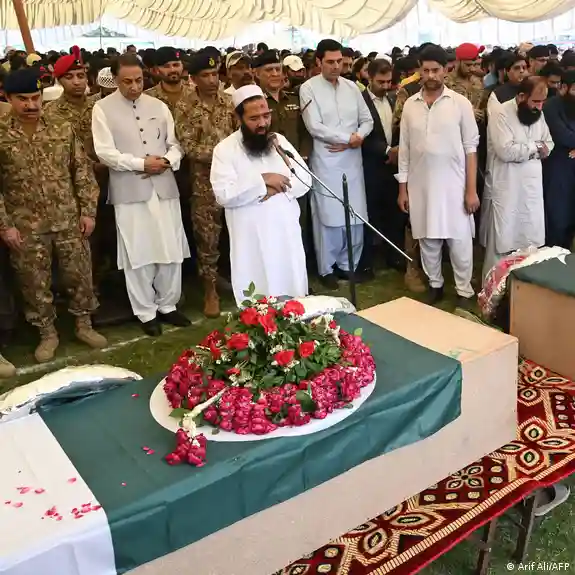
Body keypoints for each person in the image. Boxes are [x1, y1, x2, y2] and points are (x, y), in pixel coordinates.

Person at [0, 68, 106, 363]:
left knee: (79, 274)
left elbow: (82, 172)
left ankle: (84, 324)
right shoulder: (2, 134)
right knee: (34, 282)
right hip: (25, 223)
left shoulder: (62, 127)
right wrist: (5, 226)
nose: (31, 105)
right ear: (8, 98)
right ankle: (47, 332)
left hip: (68, 218)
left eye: (35, 98)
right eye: (23, 99)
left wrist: (88, 212)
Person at [92, 54, 191, 336]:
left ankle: (168, 305)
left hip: (164, 186)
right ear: (115, 79)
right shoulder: (102, 109)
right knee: (138, 253)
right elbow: (104, 152)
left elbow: (176, 144)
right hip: (129, 190)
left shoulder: (158, 106)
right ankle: (146, 312)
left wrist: (168, 161)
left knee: (171, 249)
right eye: (127, 82)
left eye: (138, 80)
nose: (134, 87)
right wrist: (140, 164)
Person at [210, 85, 311, 306]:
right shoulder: (225, 150)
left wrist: (275, 186)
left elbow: (305, 180)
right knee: (258, 292)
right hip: (251, 237)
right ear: (238, 118)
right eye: (254, 118)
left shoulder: (279, 141)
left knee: (292, 288)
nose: (263, 123)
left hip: (285, 232)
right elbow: (223, 194)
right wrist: (262, 181)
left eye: (266, 116)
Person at [397, 45, 480, 307]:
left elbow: (471, 148)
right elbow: (405, 149)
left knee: (459, 240)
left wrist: (471, 190)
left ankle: (464, 290)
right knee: (428, 238)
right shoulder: (410, 105)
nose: (431, 75)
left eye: (436, 70)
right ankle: (435, 284)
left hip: (455, 184)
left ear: (446, 70)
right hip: (420, 184)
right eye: (426, 70)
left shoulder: (460, 103)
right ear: (419, 71)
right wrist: (403, 189)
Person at [299, 39, 373, 290]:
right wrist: (346, 139)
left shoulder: (352, 87)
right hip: (326, 160)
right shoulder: (308, 88)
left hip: (353, 159)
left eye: (339, 61)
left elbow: (367, 120)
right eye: (330, 62)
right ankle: (326, 268)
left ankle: (348, 265)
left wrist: (357, 138)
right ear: (319, 62)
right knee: (328, 215)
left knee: (355, 214)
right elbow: (314, 126)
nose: (336, 66)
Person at [174, 52, 236, 318]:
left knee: (237, 234)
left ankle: (238, 279)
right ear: (194, 79)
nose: (212, 80)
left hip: (234, 179)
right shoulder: (185, 106)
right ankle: (210, 290)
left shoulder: (229, 101)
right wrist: (224, 155)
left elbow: (240, 135)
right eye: (205, 76)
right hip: (204, 184)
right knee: (207, 239)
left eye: (215, 74)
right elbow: (189, 147)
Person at [480, 77, 553, 281]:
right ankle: (494, 289)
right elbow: (505, 151)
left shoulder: (538, 114)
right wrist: (535, 147)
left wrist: (534, 148)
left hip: (532, 187)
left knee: (530, 237)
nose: (539, 107)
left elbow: (549, 144)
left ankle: (524, 286)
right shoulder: (501, 113)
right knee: (503, 238)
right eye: (535, 101)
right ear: (521, 96)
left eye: (542, 102)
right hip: (507, 186)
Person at [361, 58, 405, 272]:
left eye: (389, 82)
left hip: (395, 166)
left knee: (395, 212)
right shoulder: (360, 102)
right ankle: (368, 258)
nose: (386, 86)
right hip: (371, 165)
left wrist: (398, 150)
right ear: (369, 78)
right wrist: (387, 151)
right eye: (381, 82)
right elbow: (362, 136)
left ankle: (394, 255)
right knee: (371, 211)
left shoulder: (395, 98)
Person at [543, 70, 575, 249]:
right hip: (558, 168)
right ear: (563, 88)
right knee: (558, 217)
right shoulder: (551, 106)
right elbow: (562, 135)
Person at [145, 47, 194, 114]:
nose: (172, 70)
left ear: (182, 66)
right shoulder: (148, 97)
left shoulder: (197, 93)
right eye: (166, 66)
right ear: (157, 70)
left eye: (176, 65)